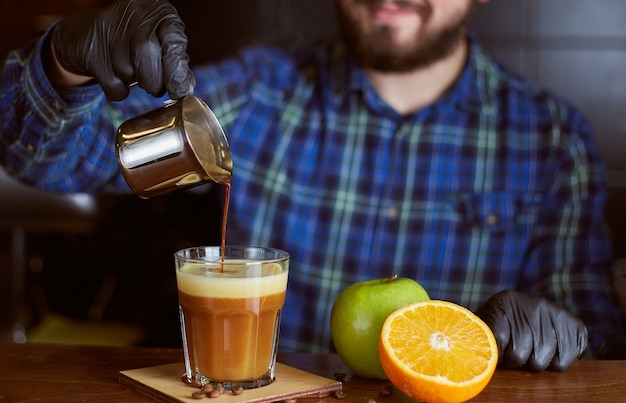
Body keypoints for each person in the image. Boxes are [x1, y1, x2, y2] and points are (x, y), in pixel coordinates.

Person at [1, 0, 625, 369]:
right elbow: (53, 163)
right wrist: (65, 62)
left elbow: (595, 341)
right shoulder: (266, 87)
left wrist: (561, 338)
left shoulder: (550, 138)